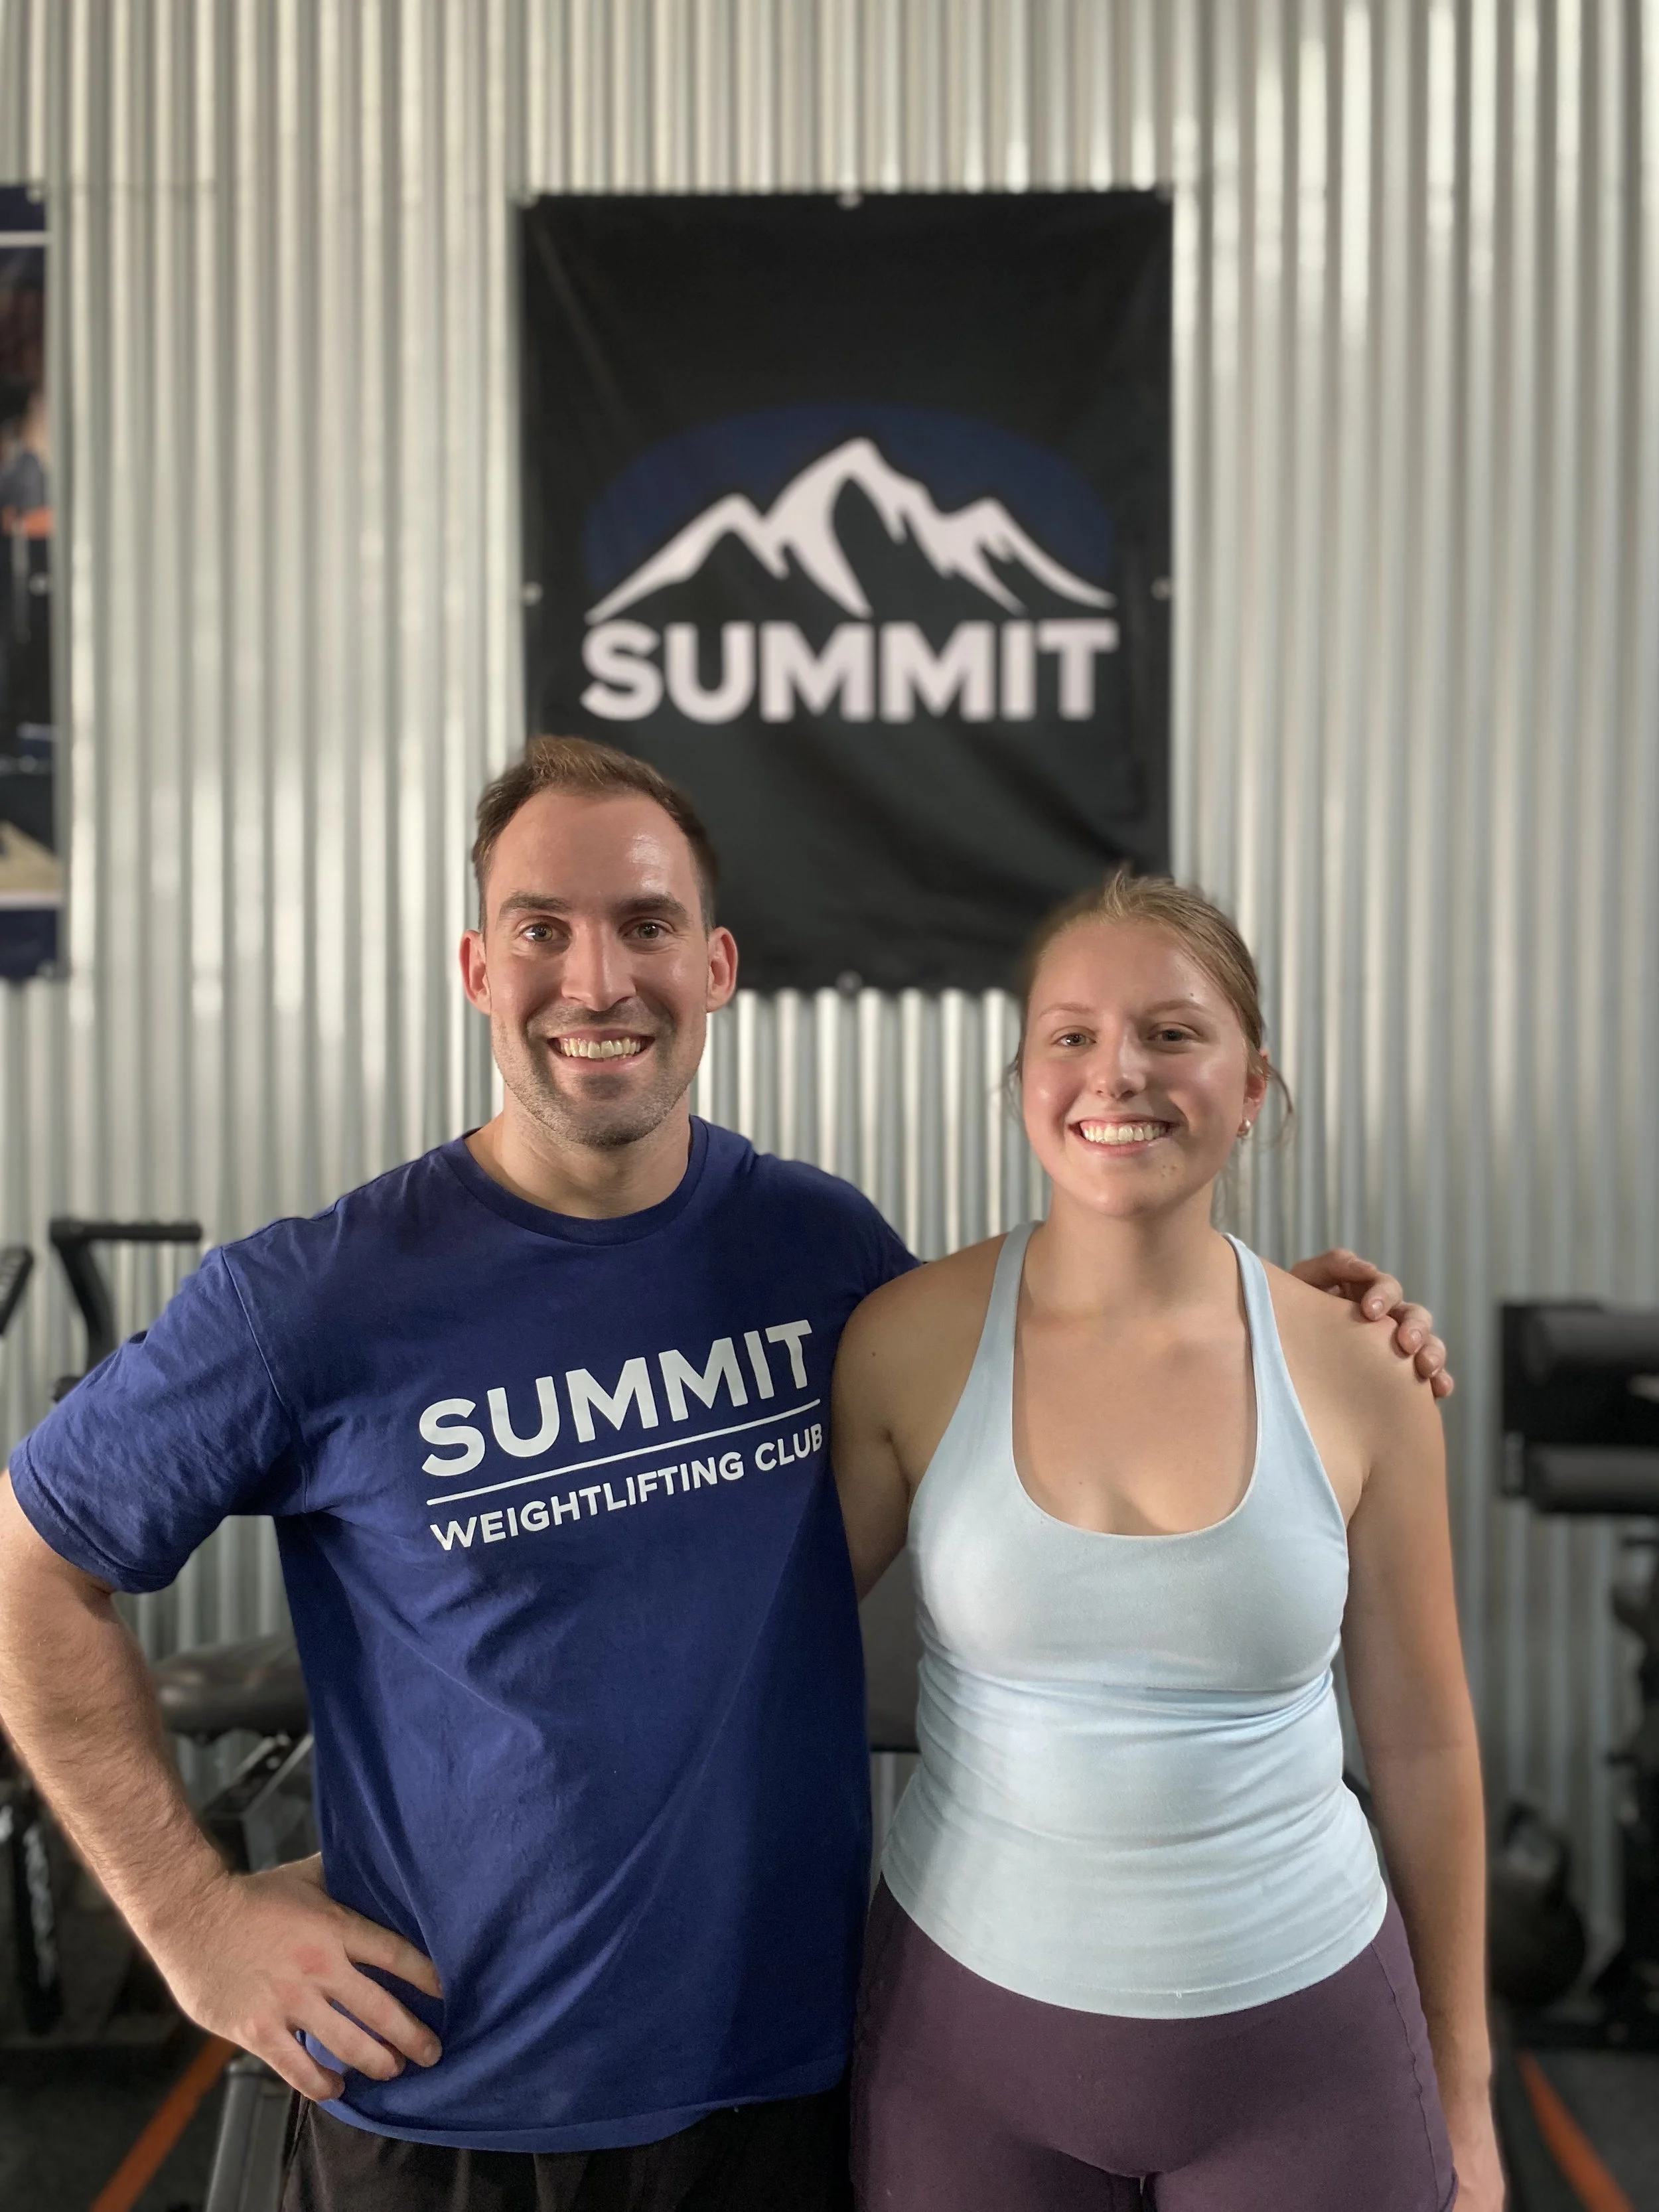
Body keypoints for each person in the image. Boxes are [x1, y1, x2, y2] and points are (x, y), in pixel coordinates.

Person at [0, 741, 1451, 2212]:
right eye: (539, 929)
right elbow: (29, 1568)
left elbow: (1057, 1358)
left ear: (715, 963)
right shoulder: (315, 1299)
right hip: (447, 2098)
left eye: (642, 926)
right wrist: (191, 1923)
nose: (595, 980)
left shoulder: (822, 1257)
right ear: (473, 967)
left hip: (785, 2087)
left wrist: (1290, 1322)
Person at [833, 871, 1498, 2212]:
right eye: (1069, 1034)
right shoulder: (904, 1343)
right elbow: (740, 1649)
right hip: (963, 2057)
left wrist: (1465, 2093)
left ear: (1252, 1084)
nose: (1115, 1071)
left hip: (1304, 2058)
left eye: (1172, 1032)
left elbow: (1423, 1746)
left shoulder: (1357, 1371)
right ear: (1022, 1076)